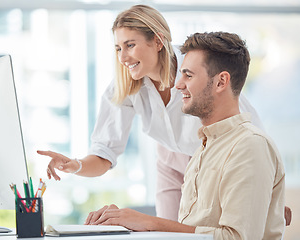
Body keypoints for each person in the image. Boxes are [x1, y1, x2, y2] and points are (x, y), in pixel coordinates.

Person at [38, 5, 263, 221]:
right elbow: (104, 153)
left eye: (130, 45)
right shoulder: (125, 86)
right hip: (168, 161)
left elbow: (243, 124)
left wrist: (265, 188)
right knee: (168, 233)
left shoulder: (194, 68)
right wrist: (74, 165)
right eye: (118, 48)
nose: (122, 57)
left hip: (212, 161)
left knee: (213, 229)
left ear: (157, 41)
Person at [85, 31, 286, 239]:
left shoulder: (249, 146)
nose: (178, 85)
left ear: (221, 82)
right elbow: (191, 232)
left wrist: (149, 222)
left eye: (188, 75)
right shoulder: (202, 150)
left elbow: (236, 237)